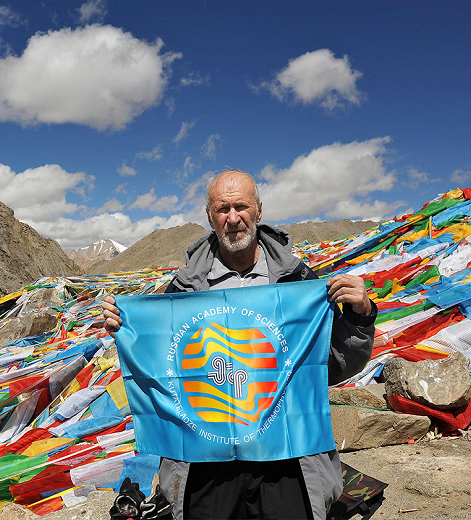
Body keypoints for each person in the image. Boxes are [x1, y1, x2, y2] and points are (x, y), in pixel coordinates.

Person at [103, 169, 376, 520]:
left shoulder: (298, 284)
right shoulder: (181, 293)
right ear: (210, 217)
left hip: (287, 459)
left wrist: (359, 316)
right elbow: (162, 372)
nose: (233, 218)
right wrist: (127, 330)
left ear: (259, 211)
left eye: (241, 207)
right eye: (222, 209)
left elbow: (334, 366)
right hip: (205, 464)